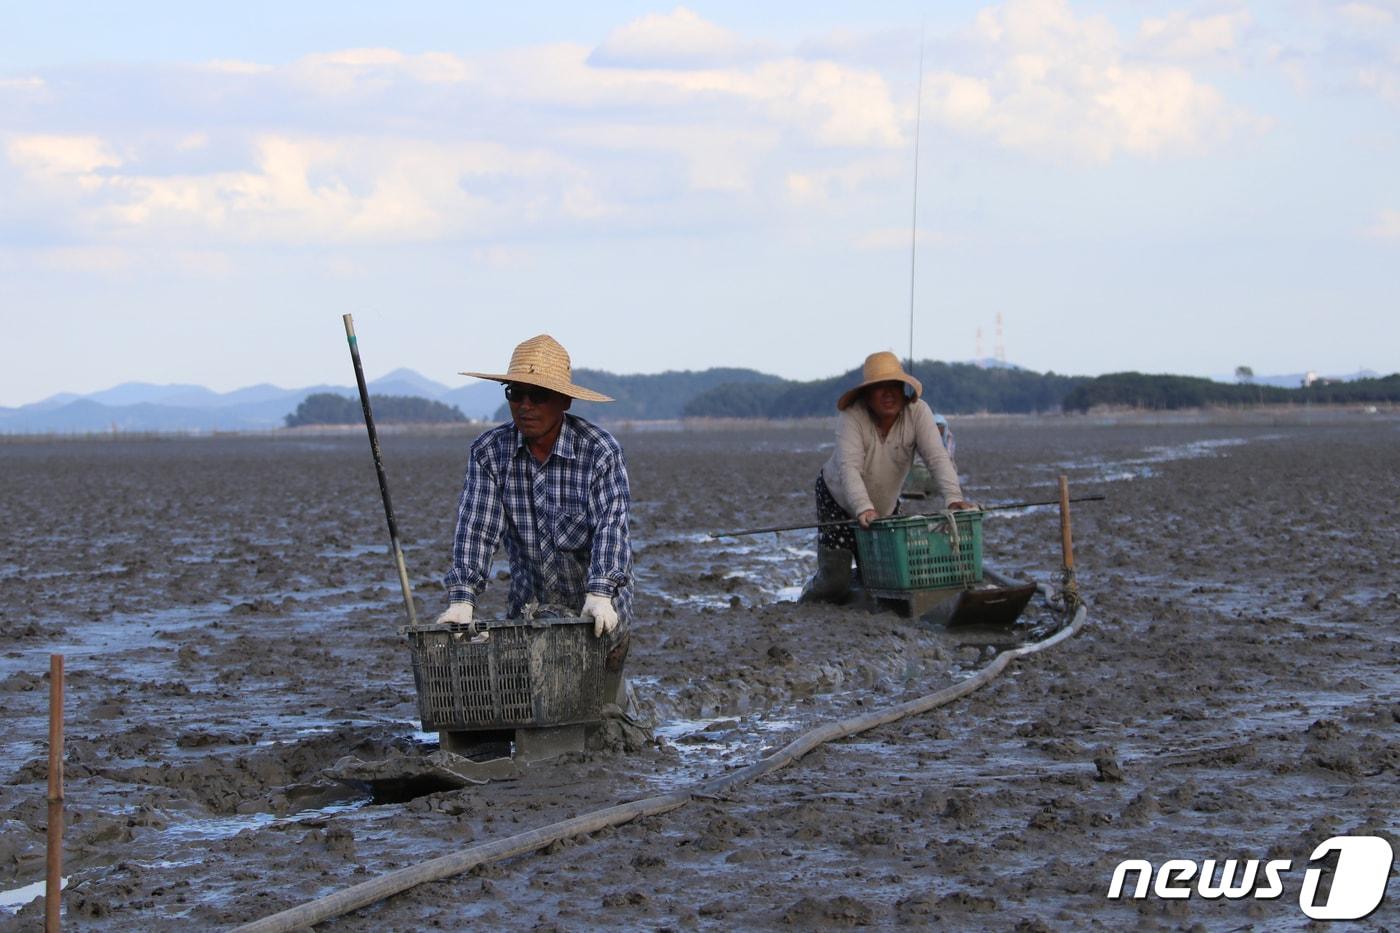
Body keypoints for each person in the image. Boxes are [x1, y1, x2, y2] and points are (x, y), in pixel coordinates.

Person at [436, 334, 632, 639]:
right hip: (530, 609)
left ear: (564, 400)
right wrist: (462, 599)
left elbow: (611, 527)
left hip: (597, 610)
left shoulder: (599, 451)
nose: (525, 406)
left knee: (594, 681)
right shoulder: (489, 453)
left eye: (538, 395)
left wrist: (601, 593)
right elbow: (477, 529)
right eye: (515, 394)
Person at [801, 351, 973, 602]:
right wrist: (862, 507)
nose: (888, 394)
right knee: (834, 581)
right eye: (879, 388)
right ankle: (810, 594)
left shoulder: (918, 412)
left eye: (893, 386)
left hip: (884, 502)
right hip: (838, 498)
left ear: (903, 389)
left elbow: (937, 457)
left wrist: (954, 499)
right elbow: (849, 468)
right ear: (867, 395)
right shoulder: (853, 416)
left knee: (887, 577)